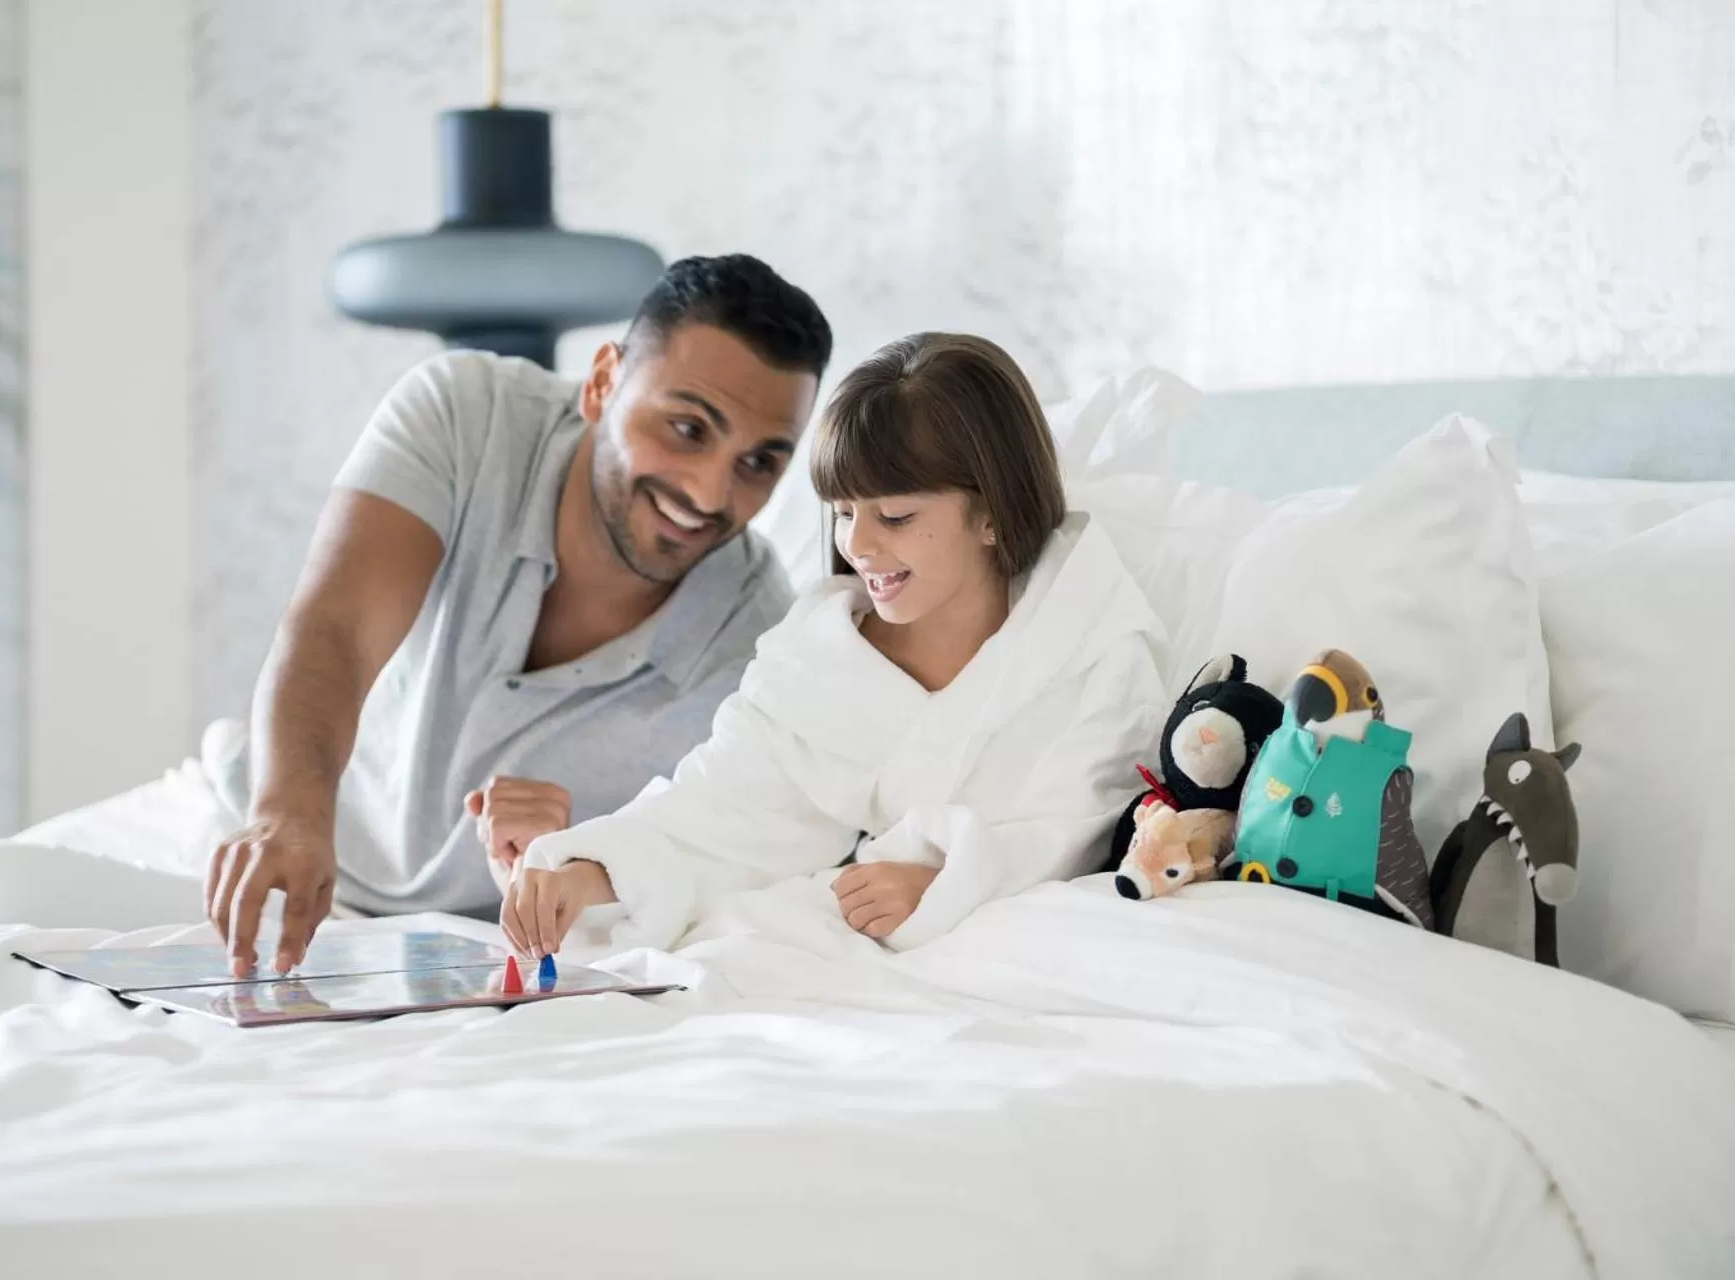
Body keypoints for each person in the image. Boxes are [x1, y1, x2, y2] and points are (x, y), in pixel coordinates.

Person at [204, 254, 833, 977]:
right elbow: (336, 631)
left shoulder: (752, 644)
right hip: (289, 849)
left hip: (479, 944)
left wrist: (571, 861)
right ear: (601, 383)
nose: (710, 493)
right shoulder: (465, 413)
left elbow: (717, 854)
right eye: (688, 428)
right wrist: (286, 814)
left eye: (759, 463)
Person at [496, 332, 1169, 959]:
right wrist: (595, 872)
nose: (859, 546)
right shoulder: (818, 660)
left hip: (1015, 961)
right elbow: (725, 810)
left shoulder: (1090, 641)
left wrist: (941, 877)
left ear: (990, 512)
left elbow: (1077, 824)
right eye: (845, 512)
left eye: (895, 516)